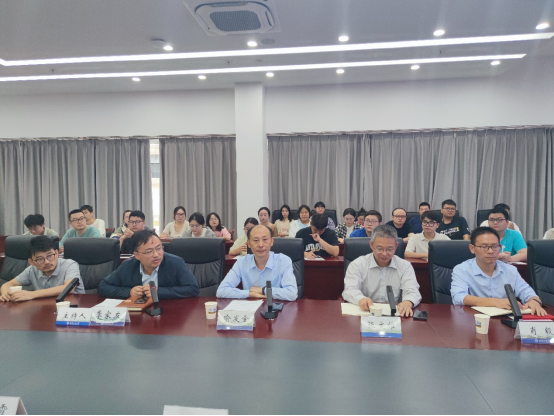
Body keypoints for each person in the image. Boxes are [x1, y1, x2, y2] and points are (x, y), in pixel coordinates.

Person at [451, 227, 546, 316]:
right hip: (473, 318)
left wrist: (534, 301)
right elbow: (458, 297)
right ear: (472, 248)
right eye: (484, 247)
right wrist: (496, 302)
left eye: (494, 246)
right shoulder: (462, 269)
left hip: (504, 319)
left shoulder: (510, 270)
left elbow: (527, 292)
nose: (490, 251)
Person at [342, 225, 422, 318]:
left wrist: (408, 302)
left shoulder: (405, 266)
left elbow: (412, 290)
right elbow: (350, 289)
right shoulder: (358, 264)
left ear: (396, 246)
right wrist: (360, 299)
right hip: (366, 314)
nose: (384, 253)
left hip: (395, 315)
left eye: (389, 249)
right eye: (379, 249)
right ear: (371, 245)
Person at [98, 230, 199, 300]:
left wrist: (158, 292)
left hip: (169, 314)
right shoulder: (128, 266)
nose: (156, 255)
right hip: (137, 316)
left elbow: (193, 289)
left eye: (159, 248)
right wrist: (129, 292)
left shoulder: (175, 263)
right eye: (149, 251)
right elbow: (103, 286)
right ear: (136, 255)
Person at [217, 225, 298, 301]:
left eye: (265, 239)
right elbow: (221, 291)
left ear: (272, 241)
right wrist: (250, 294)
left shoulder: (283, 261)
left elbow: (292, 293)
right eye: (256, 240)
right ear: (249, 243)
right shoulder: (241, 262)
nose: (260, 245)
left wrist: (263, 290)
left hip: (276, 308)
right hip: (250, 308)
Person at [0, 236, 84, 303]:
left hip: (72, 307)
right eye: (40, 259)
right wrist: (6, 294)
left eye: (50, 256)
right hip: (45, 309)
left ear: (57, 253)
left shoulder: (69, 265)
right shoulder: (31, 270)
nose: (47, 262)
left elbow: (69, 288)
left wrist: (32, 294)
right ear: (31, 262)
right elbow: (7, 284)